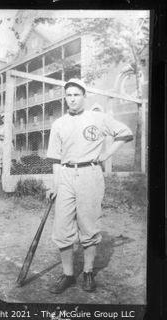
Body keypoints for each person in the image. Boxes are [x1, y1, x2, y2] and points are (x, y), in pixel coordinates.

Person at [47, 78, 133, 294]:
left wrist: (106, 153)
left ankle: (87, 272)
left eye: (76, 94)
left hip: (90, 175)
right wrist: (54, 185)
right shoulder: (58, 123)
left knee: (88, 225)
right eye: (69, 95)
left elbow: (125, 133)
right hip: (65, 174)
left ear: (84, 96)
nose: (72, 99)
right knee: (62, 228)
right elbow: (56, 160)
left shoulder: (98, 117)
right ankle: (68, 275)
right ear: (65, 98)